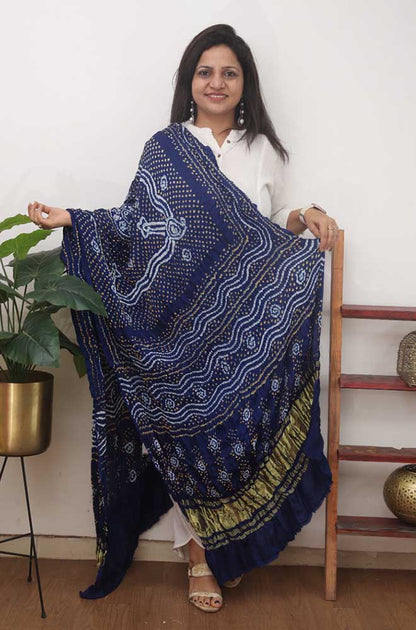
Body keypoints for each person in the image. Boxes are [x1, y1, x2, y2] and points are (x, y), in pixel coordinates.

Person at [28, 24, 337, 614]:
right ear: (189, 81)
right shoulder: (165, 147)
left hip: (241, 327)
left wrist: (305, 213)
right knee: (183, 438)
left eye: (229, 73)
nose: (217, 83)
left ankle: (228, 549)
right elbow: (138, 224)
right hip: (173, 327)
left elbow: (265, 228)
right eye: (205, 72)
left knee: (237, 437)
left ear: (245, 83)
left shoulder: (263, 150)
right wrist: (72, 218)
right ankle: (198, 556)